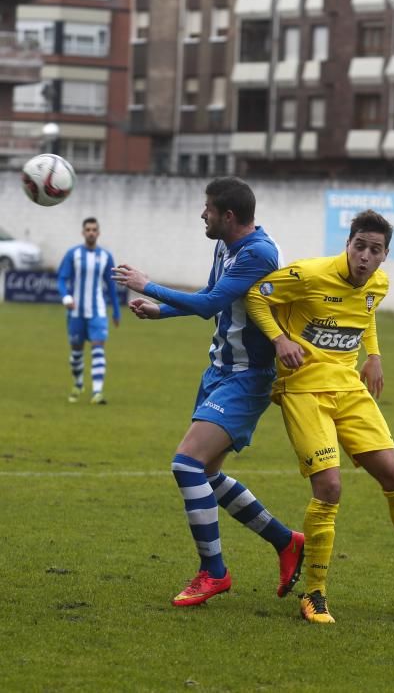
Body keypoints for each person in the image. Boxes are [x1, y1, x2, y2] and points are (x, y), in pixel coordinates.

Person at [246, 209, 394, 624]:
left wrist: (374, 355)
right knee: (330, 485)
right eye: (359, 245)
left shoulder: (379, 282)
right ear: (348, 244)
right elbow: (257, 295)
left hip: (349, 389)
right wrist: (279, 339)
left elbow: (367, 311)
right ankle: (315, 594)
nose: (364, 255)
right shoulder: (308, 274)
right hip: (304, 389)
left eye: (374, 250)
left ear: (384, 255)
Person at [112, 177, 304, 607]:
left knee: (186, 465)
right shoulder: (226, 245)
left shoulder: (258, 253)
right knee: (208, 475)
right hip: (218, 372)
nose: (202, 214)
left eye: (208, 209)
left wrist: (148, 285)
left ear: (228, 216)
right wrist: (159, 311)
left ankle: (213, 572)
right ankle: (286, 541)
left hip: (247, 377)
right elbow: (209, 300)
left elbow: (209, 304)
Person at [57, 217, 120, 405]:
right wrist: (66, 297)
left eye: (94, 229)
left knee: (98, 348)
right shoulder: (73, 254)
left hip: (97, 311)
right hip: (76, 312)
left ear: (98, 233)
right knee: (76, 353)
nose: (91, 232)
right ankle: (78, 384)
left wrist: (116, 311)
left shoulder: (106, 256)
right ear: (83, 232)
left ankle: (97, 392)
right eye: (88, 229)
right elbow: (61, 278)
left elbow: (111, 286)